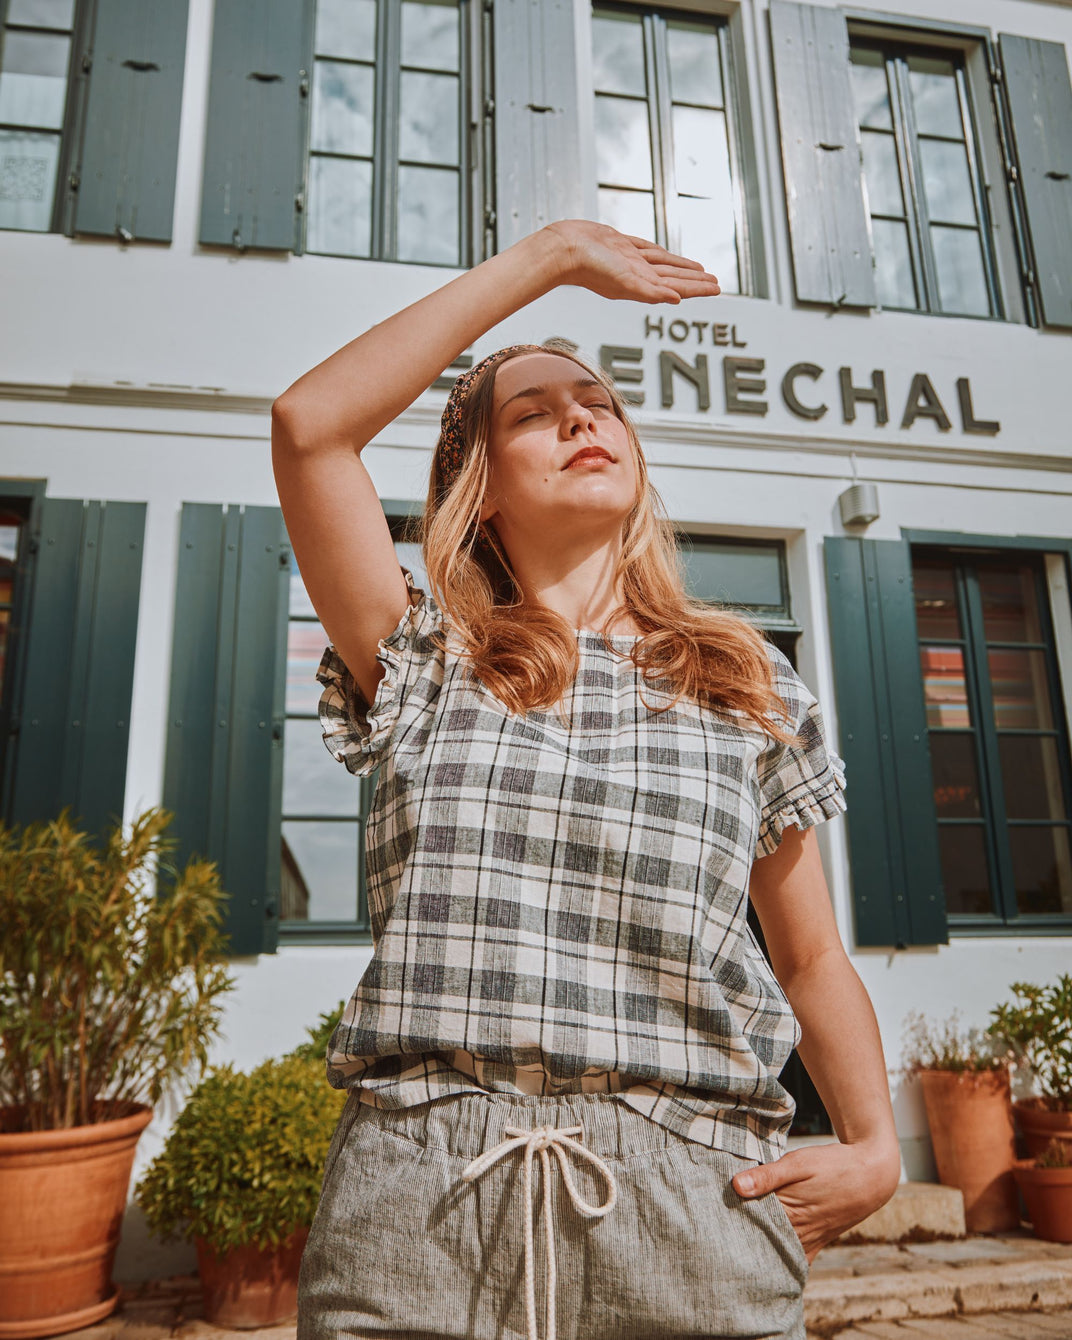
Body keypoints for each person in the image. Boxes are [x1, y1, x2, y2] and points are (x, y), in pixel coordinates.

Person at [271, 220, 901, 1340]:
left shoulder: (746, 678)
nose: (579, 416)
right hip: (422, 1205)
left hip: (688, 1209)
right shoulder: (421, 658)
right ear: (481, 483)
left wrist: (873, 1142)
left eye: (601, 402)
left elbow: (806, 953)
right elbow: (310, 427)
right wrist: (552, 256)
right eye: (532, 410)